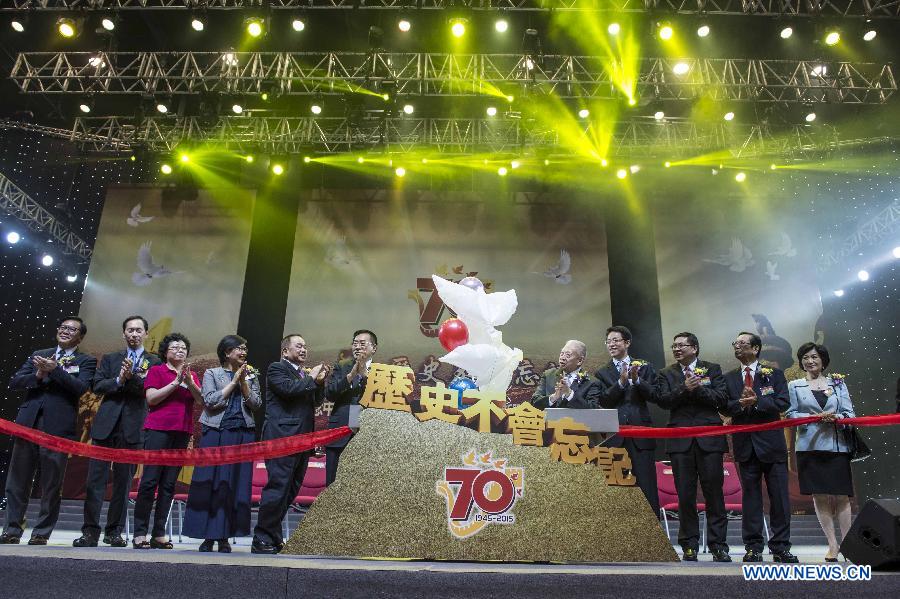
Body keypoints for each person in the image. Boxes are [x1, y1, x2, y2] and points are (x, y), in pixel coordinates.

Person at [0, 317, 97, 545]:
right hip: (28, 424)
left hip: (58, 429)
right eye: (63, 327)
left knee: (52, 483)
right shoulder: (39, 353)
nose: (65, 331)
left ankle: (41, 533)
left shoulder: (86, 360)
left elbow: (82, 389)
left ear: (80, 337)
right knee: (17, 481)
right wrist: (38, 375)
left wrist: (56, 371)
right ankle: (12, 529)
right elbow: (15, 382)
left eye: (72, 329)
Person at [74, 315, 160, 548]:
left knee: (123, 483)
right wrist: (119, 379)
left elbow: (147, 390)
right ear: (123, 334)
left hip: (133, 426)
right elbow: (98, 385)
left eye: (138, 330)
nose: (134, 334)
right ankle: (90, 532)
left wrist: (131, 380)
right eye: (129, 330)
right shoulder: (111, 359)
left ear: (146, 334)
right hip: (105, 425)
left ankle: (114, 532)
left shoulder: (154, 361)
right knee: (95, 481)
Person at [251, 334, 330, 554]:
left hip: (303, 439)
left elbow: (315, 401)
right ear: (286, 351)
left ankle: (273, 536)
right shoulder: (276, 369)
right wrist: (312, 378)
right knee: (278, 487)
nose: (304, 349)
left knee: (290, 490)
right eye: (299, 346)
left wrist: (319, 383)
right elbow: (288, 390)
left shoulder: (302, 374)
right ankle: (261, 538)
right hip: (282, 438)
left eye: (306, 346)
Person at [655, 332, 731, 562]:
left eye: (682, 345)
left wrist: (698, 389)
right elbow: (663, 400)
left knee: (714, 494)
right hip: (680, 441)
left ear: (695, 348)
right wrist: (684, 388)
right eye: (674, 346)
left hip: (710, 439)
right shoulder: (666, 373)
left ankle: (718, 545)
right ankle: (689, 545)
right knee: (685, 495)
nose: (677, 349)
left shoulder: (712, 369)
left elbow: (721, 399)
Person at [183, 335, 262, 552]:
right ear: (227, 353)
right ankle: (208, 536)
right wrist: (234, 382)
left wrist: (244, 382)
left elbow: (256, 404)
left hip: (242, 434)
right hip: (216, 433)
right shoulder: (212, 373)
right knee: (211, 482)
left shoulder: (251, 374)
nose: (243, 351)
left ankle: (225, 535)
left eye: (245, 348)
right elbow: (210, 401)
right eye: (238, 348)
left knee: (235, 484)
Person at [725, 331, 798, 563]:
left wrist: (758, 401)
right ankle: (753, 547)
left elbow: (783, 402)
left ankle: (781, 547)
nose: (737, 346)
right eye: (735, 343)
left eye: (742, 343)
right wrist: (740, 404)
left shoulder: (774, 374)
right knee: (751, 498)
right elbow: (725, 406)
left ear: (755, 349)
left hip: (772, 445)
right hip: (745, 446)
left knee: (779, 498)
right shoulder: (729, 378)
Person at [786, 342, 856, 562]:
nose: (810, 361)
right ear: (801, 361)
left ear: (823, 360)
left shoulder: (837, 382)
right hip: (809, 446)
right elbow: (790, 414)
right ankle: (832, 545)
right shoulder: (795, 385)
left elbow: (849, 413)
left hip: (836, 445)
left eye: (814, 357)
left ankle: (848, 544)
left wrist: (838, 419)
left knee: (842, 495)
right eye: (806, 357)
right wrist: (812, 419)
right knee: (819, 496)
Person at [132, 333, 201, 550]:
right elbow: (152, 398)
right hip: (158, 430)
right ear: (165, 352)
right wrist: (175, 383)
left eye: (183, 348)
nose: (180, 351)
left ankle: (159, 533)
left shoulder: (192, 375)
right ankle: (140, 533)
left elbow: (201, 400)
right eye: (175, 348)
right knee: (150, 481)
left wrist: (189, 383)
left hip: (182, 432)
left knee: (169, 485)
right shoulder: (157, 371)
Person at [594, 325, 660, 516]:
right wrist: (621, 382)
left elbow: (655, 395)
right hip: (613, 437)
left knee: (646, 485)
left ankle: (653, 535)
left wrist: (637, 381)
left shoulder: (644, 366)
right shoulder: (602, 373)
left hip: (641, 434)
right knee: (615, 486)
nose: (611, 344)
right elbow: (604, 400)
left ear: (627, 342)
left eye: (616, 340)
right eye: (608, 341)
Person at [325, 329, 377, 486]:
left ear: (374, 348)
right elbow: (330, 394)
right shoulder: (342, 367)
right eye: (355, 343)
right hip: (340, 431)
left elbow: (381, 399)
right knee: (333, 484)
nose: (357, 347)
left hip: (368, 435)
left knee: (363, 486)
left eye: (362, 343)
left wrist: (366, 376)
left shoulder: (382, 371)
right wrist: (351, 376)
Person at [530, 340, 600, 410]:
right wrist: (553, 397)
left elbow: (593, 410)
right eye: (562, 354)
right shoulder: (548, 375)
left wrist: (569, 394)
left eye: (568, 355)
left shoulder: (592, 382)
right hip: (549, 420)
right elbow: (534, 402)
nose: (562, 358)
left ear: (580, 360)